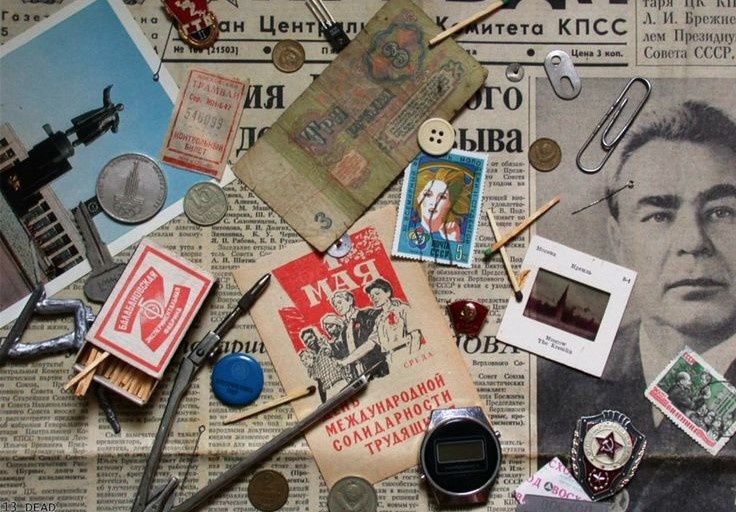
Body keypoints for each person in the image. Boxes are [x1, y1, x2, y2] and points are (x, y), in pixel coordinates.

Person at [537, 100, 736, 511]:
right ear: (619, 241)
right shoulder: (553, 383)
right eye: (659, 216)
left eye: (721, 212)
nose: (693, 243)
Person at [329, 290, 388, 378]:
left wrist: (345, 362)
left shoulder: (367, 315)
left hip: (377, 368)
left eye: (339, 302)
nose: (337, 306)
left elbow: (372, 343)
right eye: (335, 305)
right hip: (359, 374)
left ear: (350, 301)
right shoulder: (344, 331)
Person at [363, 278, 422, 364]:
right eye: (371, 296)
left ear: (388, 293)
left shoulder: (402, 309)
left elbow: (415, 335)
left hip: (406, 353)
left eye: (377, 293)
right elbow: (370, 343)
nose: (374, 298)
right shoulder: (379, 320)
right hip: (390, 359)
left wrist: (414, 358)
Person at [412, 165, 473, 243]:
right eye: (428, 194)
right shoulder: (410, 229)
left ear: (450, 203)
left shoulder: (459, 237)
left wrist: (455, 240)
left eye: (442, 197)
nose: (434, 202)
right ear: (418, 197)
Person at [298, 327, 352, 402]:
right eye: (306, 341)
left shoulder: (328, 347)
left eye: (310, 337)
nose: (309, 342)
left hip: (341, 383)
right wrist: (324, 401)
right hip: (329, 392)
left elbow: (342, 354)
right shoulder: (314, 362)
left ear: (315, 336)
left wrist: (330, 348)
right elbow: (320, 383)